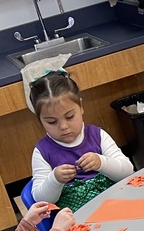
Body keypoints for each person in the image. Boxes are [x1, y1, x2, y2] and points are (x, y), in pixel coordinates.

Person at [29, 70, 134, 211]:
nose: (63, 127)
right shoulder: (42, 151)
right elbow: (40, 200)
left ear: (81, 107)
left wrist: (101, 162)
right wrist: (55, 179)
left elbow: (127, 171)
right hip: (78, 220)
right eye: (52, 122)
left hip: (116, 204)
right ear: (40, 121)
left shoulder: (97, 135)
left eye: (70, 116)